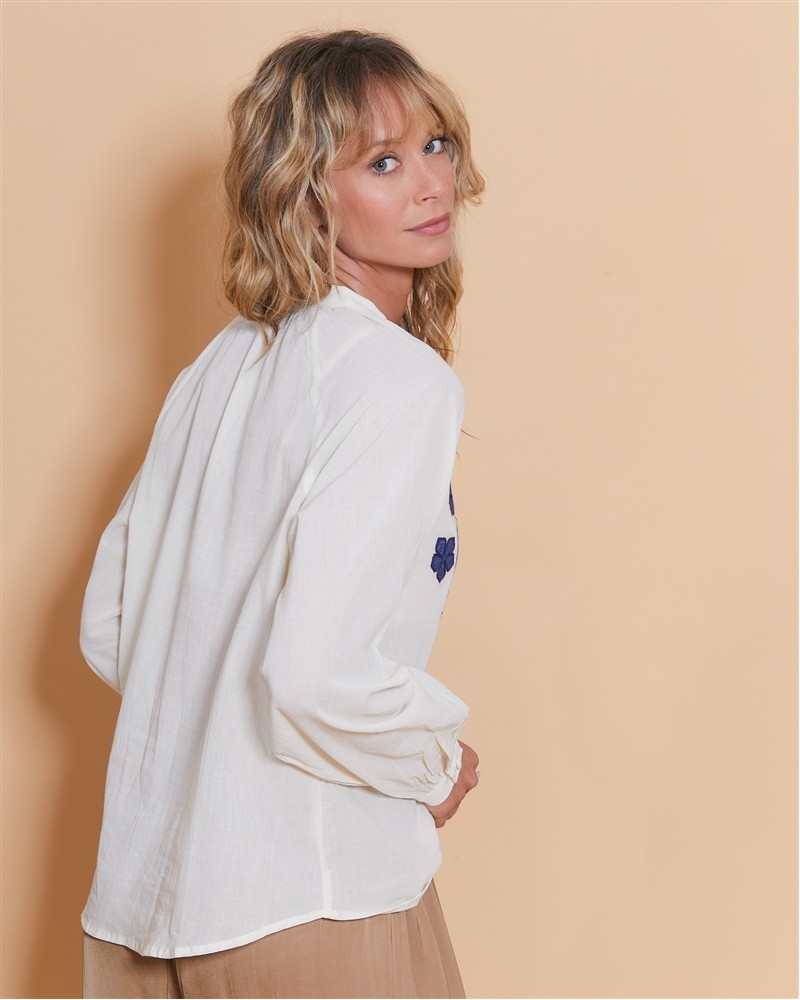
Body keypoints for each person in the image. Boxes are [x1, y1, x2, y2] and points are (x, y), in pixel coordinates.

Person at [79, 27, 484, 1000]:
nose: (429, 183)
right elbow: (313, 676)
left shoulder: (214, 371)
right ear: (305, 196)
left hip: (142, 912)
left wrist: (220, 734)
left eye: (434, 144)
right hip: (312, 902)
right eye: (382, 162)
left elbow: (110, 624)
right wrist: (431, 762)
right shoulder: (395, 380)